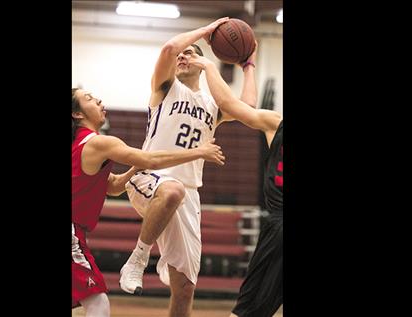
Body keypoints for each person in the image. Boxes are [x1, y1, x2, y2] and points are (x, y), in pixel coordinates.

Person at [119, 17, 258, 317]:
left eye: (191, 54)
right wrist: (208, 31)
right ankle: (138, 259)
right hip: (150, 178)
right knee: (172, 190)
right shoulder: (165, 88)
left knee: (184, 290)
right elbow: (170, 47)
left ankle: (162, 260)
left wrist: (248, 66)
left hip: (188, 195)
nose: (183, 56)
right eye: (182, 54)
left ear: (203, 62)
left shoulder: (212, 104)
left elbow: (249, 108)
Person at [71, 88, 225, 317]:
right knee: (98, 303)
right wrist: (199, 151)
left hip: (78, 230)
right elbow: (151, 160)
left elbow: (112, 186)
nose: (99, 100)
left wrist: (135, 167)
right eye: (89, 99)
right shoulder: (99, 143)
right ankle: (137, 260)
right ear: (77, 114)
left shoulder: (80, 145)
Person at [187, 51, 283, 317]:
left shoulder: (277, 123)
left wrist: (208, 65)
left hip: (280, 229)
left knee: (247, 310)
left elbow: (231, 105)